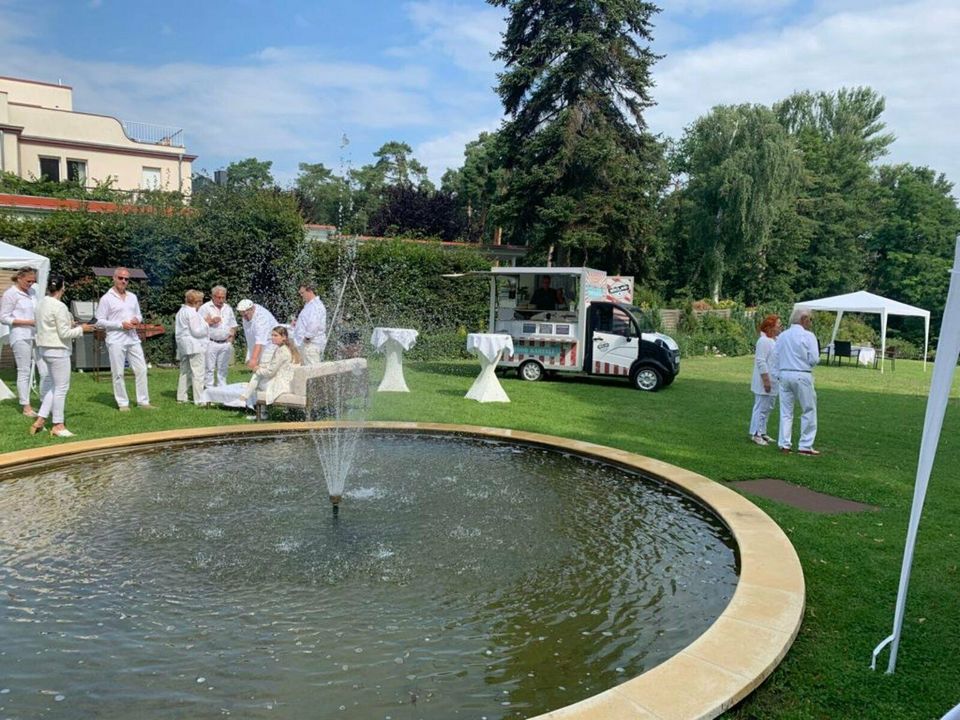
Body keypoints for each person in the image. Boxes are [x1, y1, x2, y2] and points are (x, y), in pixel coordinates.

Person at [29, 275, 95, 437]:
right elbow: (64, 333)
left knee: (53, 386)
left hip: (44, 349)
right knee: (61, 388)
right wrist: (82, 329)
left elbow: (51, 325)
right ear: (62, 288)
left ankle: (40, 421)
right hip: (58, 351)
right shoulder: (60, 306)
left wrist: (72, 325)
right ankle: (58, 425)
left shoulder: (41, 304)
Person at [95, 267, 155, 411]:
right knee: (118, 372)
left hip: (133, 337)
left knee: (141, 369)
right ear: (114, 278)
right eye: (121, 278)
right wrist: (120, 325)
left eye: (126, 279)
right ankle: (122, 403)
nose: (123, 281)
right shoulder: (106, 298)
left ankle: (143, 401)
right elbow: (99, 321)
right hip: (116, 339)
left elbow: (139, 315)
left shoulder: (132, 296)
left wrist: (136, 320)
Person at [777, 308, 821, 455]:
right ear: (803, 319)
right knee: (808, 409)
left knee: (786, 411)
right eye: (810, 319)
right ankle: (805, 445)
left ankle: (785, 444)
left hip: (784, 374)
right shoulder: (808, 336)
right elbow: (814, 359)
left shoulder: (782, 336)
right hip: (802, 374)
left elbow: (776, 355)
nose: (810, 322)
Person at [1, 267, 40, 416]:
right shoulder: (10, 294)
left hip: (35, 334)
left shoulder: (33, 292)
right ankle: (26, 406)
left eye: (33, 281)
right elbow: (4, 317)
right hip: (20, 335)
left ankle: (45, 400)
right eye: (28, 281)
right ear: (19, 278)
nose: (31, 284)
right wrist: (26, 322)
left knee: (43, 368)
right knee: (24, 370)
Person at [239, 326, 300, 406]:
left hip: (281, 386)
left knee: (257, 377)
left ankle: (245, 399)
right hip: (288, 383)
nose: (272, 338)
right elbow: (273, 366)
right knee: (258, 376)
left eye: (275, 335)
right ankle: (246, 397)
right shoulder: (288, 348)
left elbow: (270, 372)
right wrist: (260, 368)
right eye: (272, 335)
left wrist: (256, 370)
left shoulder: (282, 351)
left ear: (284, 337)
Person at [749, 314, 782, 446]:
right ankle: (756, 433)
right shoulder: (763, 341)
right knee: (761, 407)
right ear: (771, 327)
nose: (780, 326)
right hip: (765, 380)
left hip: (774, 379)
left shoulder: (774, 340)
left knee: (768, 407)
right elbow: (761, 361)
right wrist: (766, 380)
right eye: (778, 324)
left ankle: (762, 431)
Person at [175, 289, 208, 405]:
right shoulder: (192, 313)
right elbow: (196, 331)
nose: (202, 304)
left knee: (185, 372)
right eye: (201, 301)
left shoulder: (181, 311)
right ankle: (199, 399)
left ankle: (181, 396)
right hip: (194, 345)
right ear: (197, 301)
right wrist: (207, 324)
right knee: (198, 373)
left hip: (183, 346)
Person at [199, 285, 236, 387]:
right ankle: (209, 390)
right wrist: (210, 322)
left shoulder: (228, 308)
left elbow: (233, 325)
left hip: (225, 342)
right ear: (213, 296)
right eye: (218, 297)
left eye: (223, 297)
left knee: (223, 368)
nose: (221, 300)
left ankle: (222, 389)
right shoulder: (205, 308)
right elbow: (198, 326)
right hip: (211, 342)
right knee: (209, 368)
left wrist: (230, 340)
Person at [237, 299, 279, 370]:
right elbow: (250, 337)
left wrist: (253, 359)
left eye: (246, 314)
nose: (244, 317)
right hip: (260, 346)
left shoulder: (261, 318)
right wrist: (251, 355)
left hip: (271, 346)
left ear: (252, 309)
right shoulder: (247, 315)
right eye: (242, 314)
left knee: (268, 371)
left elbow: (260, 341)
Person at [292, 282, 327, 365]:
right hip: (306, 345)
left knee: (313, 372)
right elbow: (308, 321)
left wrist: (307, 338)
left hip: (310, 345)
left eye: (302, 293)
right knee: (306, 371)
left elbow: (314, 325)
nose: (301, 295)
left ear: (310, 291)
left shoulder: (315, 306)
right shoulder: (309, 305)